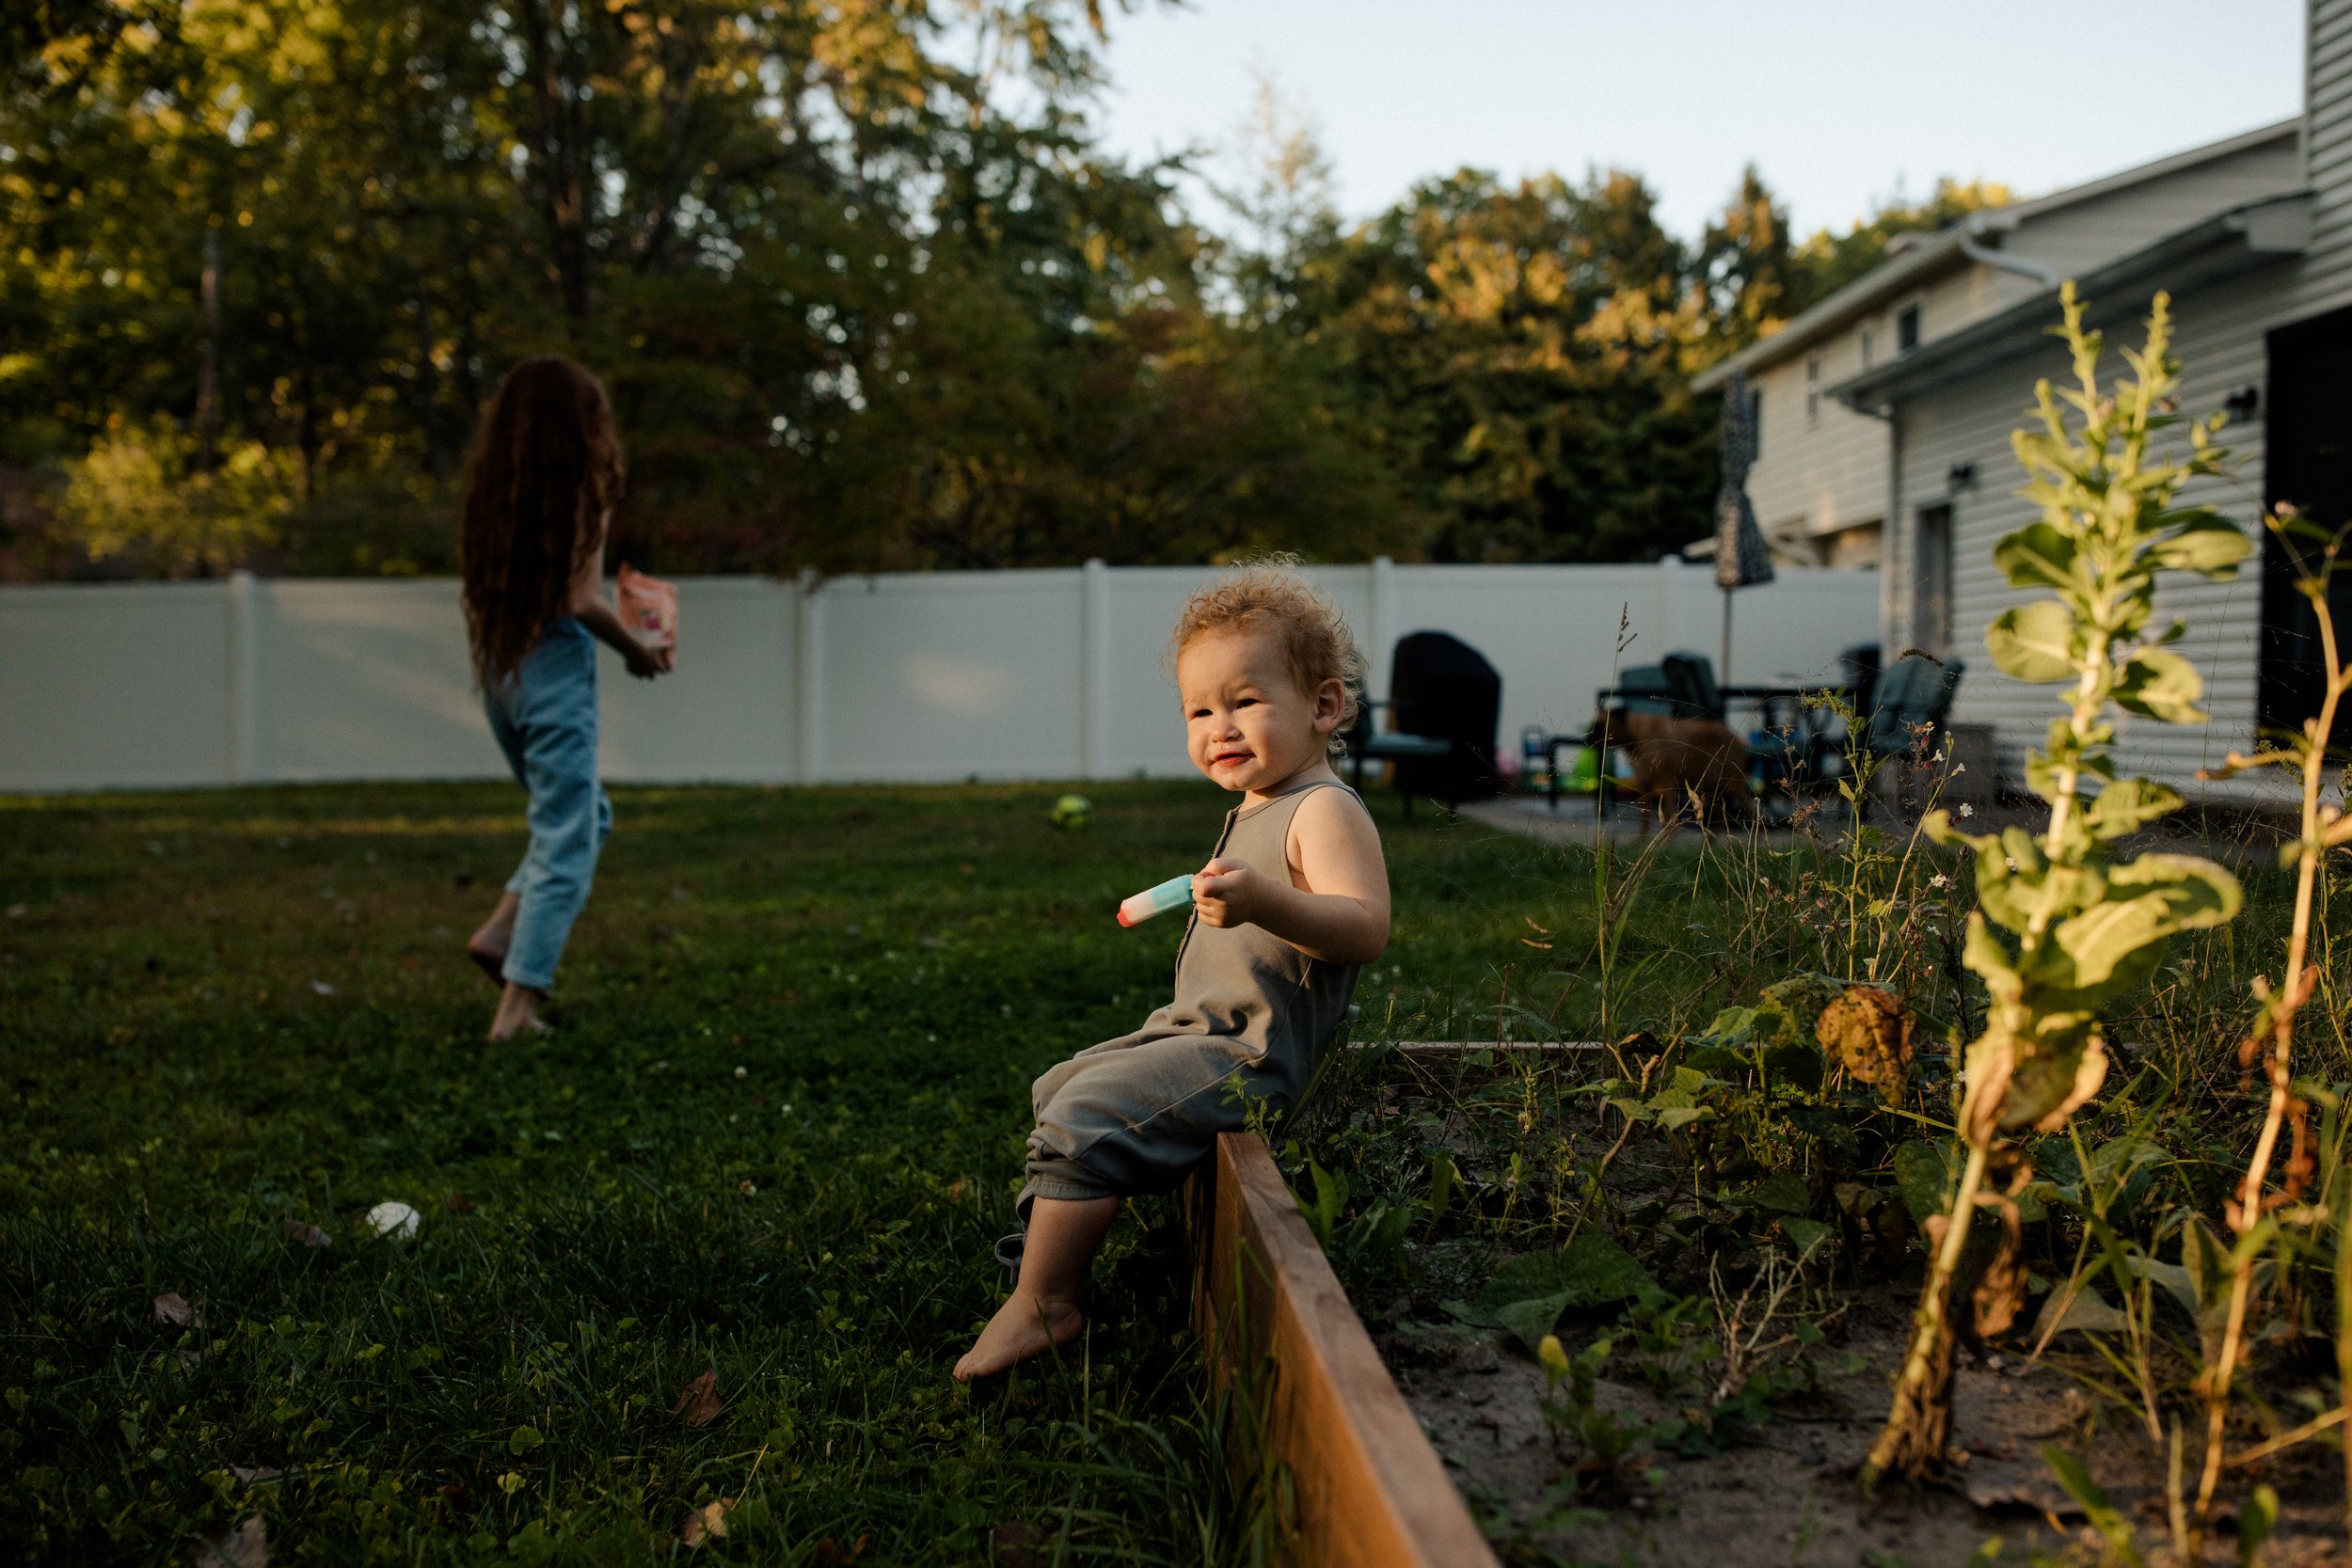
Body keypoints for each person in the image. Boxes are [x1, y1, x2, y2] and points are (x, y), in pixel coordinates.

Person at [954, 563, 1391, 1381]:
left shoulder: (1323, 809)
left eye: (1245, 700)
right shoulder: (1261, 802)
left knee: (1082, 1112)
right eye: (1200, 709)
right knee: (1060, 1085)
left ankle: (1050, 1302)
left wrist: (1263, 898)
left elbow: (1364, 928)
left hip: (1251, 1056)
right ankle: (1048, 1247)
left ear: (1323, 707)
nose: (1219, 726)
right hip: (1202, 1029)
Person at [457, 356, 672, 1040]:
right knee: (569, 840)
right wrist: (637, 650)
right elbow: (577, 598)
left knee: (584, 818)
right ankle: (514, 1014)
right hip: (553, 679)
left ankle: (499, 933)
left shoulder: (494, 496)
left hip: (502, 679)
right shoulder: (584, 487)